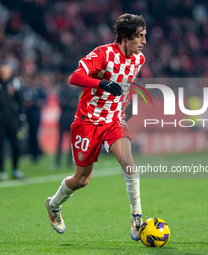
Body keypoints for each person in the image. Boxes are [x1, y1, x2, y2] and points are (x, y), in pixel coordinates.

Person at [45, 13, 146, 241]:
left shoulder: (139, 59)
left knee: (129, 163)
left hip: (113, 121)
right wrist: (102, 83)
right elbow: (75, 77)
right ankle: (53, 205)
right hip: (88, 121)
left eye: (144, 36)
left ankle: (136, 215)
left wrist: (126, 105)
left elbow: (128, 84)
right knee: (82, 180)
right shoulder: (103, 54)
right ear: (126, 37)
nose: (144, 41)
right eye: (140, 37)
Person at [53, 75, 81, 169]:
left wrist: (69, 103)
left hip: (72, 119)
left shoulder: (77, 91)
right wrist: (71, 103)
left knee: (72, 142)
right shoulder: (63, 90)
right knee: (60, 141)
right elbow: (62, 102)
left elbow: (78, 103)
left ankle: (70, 161)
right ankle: (57, 161)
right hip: (64, 118)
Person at [23, 76, 47, 163]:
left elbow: (43, 103)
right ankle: (31, 153)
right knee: (30, 135)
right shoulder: (26, 90)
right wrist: (35, 102)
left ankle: (36, 154)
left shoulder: (40, 90)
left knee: (35, 134)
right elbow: (24, 102)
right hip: (28, 115)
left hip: (36, 115)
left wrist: (33, 102)